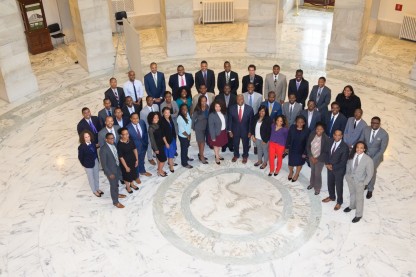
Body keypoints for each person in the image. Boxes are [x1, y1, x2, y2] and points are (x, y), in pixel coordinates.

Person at [344, 141, 374, 223]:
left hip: (360, 182)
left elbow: (370, 174)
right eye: (357, 147)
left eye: (361, 148)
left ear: (364, 149)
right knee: (352, 193)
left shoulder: (368, 160)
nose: (359, 149)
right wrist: (347, 175)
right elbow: (348, 165)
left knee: (359, 198)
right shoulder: (352, 155)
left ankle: (358, 215)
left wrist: (364, 183)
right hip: (350, 179)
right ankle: (352, 206)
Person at [359, 116, 389, 199]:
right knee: (364, 171)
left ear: (379, 124)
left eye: (376, 123)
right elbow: (361, 141)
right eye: (372, 122)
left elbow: (382, 150)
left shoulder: (384, 134)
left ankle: (370, 189)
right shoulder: (366, 129)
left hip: (376, 157)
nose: (374, 124)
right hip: (365, 154)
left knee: (371, 172)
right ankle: (365, 184)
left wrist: (373, 160)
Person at [322, 130, 349, 210]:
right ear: (333, 135)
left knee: (339, 186)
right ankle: (332, 197)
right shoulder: (329, 142)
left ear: (342, 136)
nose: (337, 137)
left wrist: (332, 166)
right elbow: (326, 153)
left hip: (339, 170)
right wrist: (327, 163)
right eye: (335, 135)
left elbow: (343, 162)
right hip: (329, 167)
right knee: (330, 183)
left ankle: (339, 202)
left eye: (339, 135)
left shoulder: (344, 147)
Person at [99, 133, 126, 208]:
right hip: (111, 172)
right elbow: (104, 164)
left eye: (113, 138)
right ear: (106, 139)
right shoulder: (103, 149)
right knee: (113, 186)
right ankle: (115, 202)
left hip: (117, 168)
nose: (112, 140)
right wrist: (109, 173)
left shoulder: (114, 144)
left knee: (116, 184)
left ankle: (117, 194)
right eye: (110, 138)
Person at [228, 94, 254, 164]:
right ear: (236, 100)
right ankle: (236, 155)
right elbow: (229, 120)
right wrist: (229, 130)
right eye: (238, 99)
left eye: (241, 99)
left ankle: (245, 156)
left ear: (243, 99)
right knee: (235, 143)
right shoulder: (231, 108)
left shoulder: (249, 109)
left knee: (245, 144)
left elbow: (251, 122)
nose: (240, 100)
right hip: (235, 130)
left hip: (245, 130)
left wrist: (250, 131)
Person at [306, 122, 330, 195]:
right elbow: (308, 146)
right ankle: (311, 184)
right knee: (312, 171)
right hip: (312, 157)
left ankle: (317, 188)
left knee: (317, 173)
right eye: (317, 129)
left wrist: (317, 158)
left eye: (321, 129)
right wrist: (310, 156)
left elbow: (326, 151)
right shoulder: (312, 134)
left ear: (323, 130)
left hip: (320, 159)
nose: (318, 130)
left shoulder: (326, 138)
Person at [126, 113, 152, 177]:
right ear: (131, 119)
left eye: (137, 118)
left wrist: (146, 142)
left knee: (142, 159)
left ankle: (142, 171)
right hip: (135, 148)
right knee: (135, 162)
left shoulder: (142, 122)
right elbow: (128, 140)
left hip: (143, 145)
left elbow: (145, 132)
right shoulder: (128, 128)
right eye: (134, 119)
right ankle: (136, 176)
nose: (136, 120)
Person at [285, 115, 310, 182]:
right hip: (292, 148)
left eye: (301, 122)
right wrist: (286, 147)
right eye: (298, 122)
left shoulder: (307, 130)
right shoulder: (292, 127)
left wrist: (305, 152)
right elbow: (288, 137)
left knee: (299, 163)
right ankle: (291, 172)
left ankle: (297, 174)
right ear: (296, 122)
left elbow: (308, 143)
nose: (300, 123)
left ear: (304, 123)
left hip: (301, 150)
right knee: (290, 163)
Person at [78, 130, 102, 197]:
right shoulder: (81, 147)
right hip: (88, 165)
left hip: (95, 161)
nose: (88, 138)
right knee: (91, 178)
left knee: (96, 176)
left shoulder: (93, 143)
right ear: (83, 138)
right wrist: (85, 164)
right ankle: (94, 191)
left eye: (88, 136)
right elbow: (80, 157)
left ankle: (97, 188)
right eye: (86, 137)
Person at [117, 127, 140, 193]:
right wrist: (126, 167)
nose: (127, 135)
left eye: (127, 134)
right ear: (121, 135)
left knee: (133, 173)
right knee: (127, 175)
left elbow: (135, 149)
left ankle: (132, 184)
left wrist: (137, 159)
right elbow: (121, 157)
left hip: (132, 160)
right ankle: (127, 187)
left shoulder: (130, 140)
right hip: (125, 163)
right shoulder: (119, 144)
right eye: (125, 134)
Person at [140, 96, 160, 166]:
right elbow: (143, 123)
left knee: (156, 141)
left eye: (152, 100)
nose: (151, 101)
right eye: (149, 100)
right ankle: (150, 158)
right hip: (149, 129)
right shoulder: (143, 111)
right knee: (149, 143)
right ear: (146, 101)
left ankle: (155, 154)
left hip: (156, 128)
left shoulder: (156, 106)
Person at [250, 105, 271, 169]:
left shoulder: (268, 119)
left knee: (265, 151)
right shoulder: (256, 117)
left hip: (264, 139)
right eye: (260, 111)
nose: (261, 112)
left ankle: (265, 163)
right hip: (257, 138)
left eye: (263, 111)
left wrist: (266, 140)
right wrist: (253, 135)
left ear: (266, 112)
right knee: (259, 149)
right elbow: (252, 127)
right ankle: (259, 160)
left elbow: (269, 131)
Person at [208, 100, 228, 164]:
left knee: (219, 145)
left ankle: (218, 155)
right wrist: (213, 137)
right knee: (216, 145)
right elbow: (211, 127)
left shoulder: (224, 113)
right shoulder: (212, 115)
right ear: (214, 107)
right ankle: (217, 157)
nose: (217, 108)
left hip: (222, 131)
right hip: (216, 133)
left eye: (219, 106)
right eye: (216, 106)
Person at [148, 112, 168, 177]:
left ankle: (160, 169)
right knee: (163, 159)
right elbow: (152, 140)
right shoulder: (151, 128)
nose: (156, 119)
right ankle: (159, 171)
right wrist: (155, 149)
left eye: (157, 117)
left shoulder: (158, 125)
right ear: (151, 119)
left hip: (161, 144)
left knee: (159, 159)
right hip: (157, 146)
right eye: (154, 118)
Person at [192, 95, 210, 164]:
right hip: (199, 128)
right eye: (202, 101)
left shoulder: (207, 107)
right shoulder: (197, 109)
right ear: (199, 101)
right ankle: (202, 157)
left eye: (205, 101)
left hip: (206, 127)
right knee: (201, 142)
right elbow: (193, 119)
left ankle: (200, 154)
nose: (204, 102)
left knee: (202, 142)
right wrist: (193, 127)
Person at [160, 107, 177, 172]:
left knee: (172, 152)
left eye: (169, 112)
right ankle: (171, 166)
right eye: (166, 113)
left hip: (172, 139)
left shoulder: (170, 118)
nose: (167, 114)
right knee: (170, 154)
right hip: (167, 141)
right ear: (163, 113)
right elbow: (162, 134)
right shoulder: (162, 121)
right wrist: (166, 143)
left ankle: (171, 163)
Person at [177, 104, 193, 169]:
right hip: (183, 136)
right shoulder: (180, 118)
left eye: (186, 108)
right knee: (184, 149)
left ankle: (186, 157)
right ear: (181, 110)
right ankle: (184, 163)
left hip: (188, 134)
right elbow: (182, 130)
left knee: (186, 147)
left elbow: (189, 124)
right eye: (183, 109)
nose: (185, 110)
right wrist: (187, 136)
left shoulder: (187, 114)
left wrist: (189, 134)